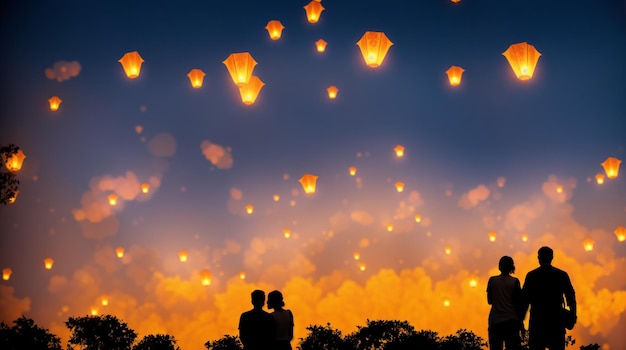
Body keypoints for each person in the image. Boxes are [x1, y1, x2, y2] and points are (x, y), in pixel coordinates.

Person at [521, 246, 577, 350]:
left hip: (537, 322)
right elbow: (571, 297)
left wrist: (521, 321)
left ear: (539, 258)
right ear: (552, 257)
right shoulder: (561, 275)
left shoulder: (531, 275)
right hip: (556, 322)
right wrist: (573, 316)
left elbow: (524, 300)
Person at [486, 256, 523, 350]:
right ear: (512, 267)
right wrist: (521, 324)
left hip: (495, 321)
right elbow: (518, 303)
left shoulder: (492, 280)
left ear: (500, 266)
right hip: (511, 321)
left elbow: (489, 301)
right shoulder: (515, 282)